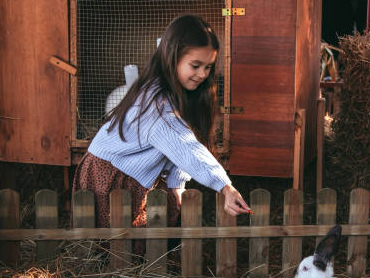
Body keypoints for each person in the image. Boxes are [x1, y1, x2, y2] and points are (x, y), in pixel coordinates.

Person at [72, 14, 250, 237]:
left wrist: (176, 183)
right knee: (119, 244)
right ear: (172, 57)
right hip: (112, 172)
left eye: (208, 67)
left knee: (161, 216)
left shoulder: (176, 92)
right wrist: (225, 186)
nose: (203, 74)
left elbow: (181, 139)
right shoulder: (157, 105)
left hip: (131, 169)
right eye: (195, 65)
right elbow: (185, 146)